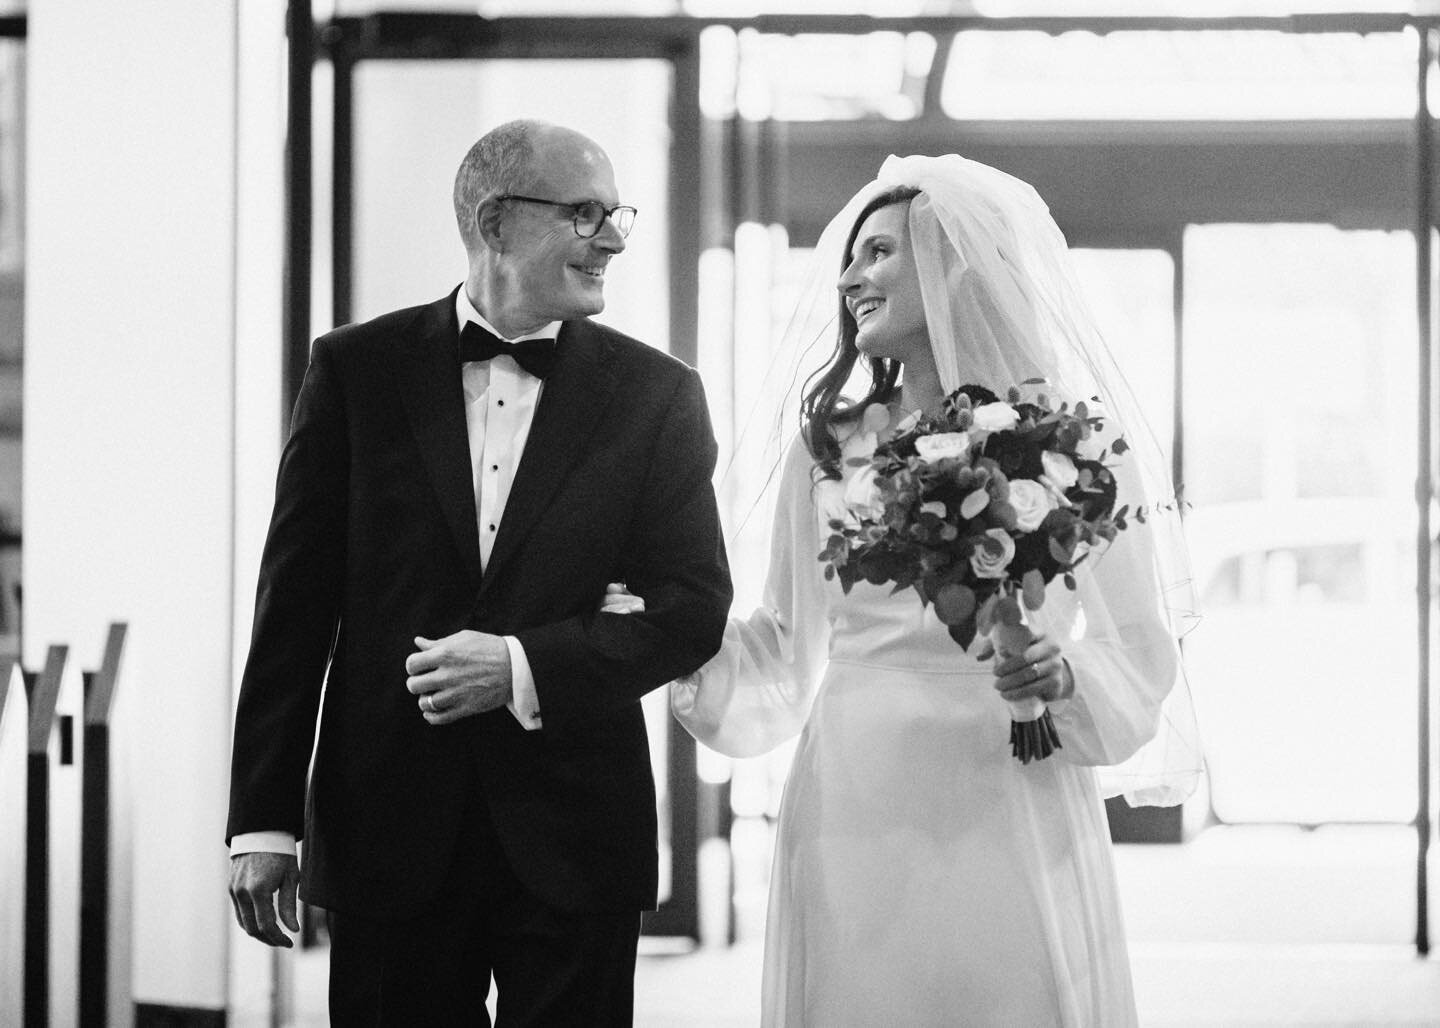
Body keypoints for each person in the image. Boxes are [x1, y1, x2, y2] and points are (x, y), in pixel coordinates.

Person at [605, 155, 1201, 1026]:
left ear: (954, 265)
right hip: (856, 790)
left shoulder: (1075, 443)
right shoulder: (829, 449)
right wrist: (673, 640)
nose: (849, 277)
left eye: (878, 253)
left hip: (1011, 781)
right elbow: (783, 639)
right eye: (852, 257)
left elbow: (1139, 648)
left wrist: (1061, 675)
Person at [225, 119, 732, 1026]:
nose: (613, 237)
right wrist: (264, 820)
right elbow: (295, 605)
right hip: (390, 824)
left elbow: (694, 608)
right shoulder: (354, 371)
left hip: (576, 831)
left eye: (617, 214)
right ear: (497, 223)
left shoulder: (658, 396)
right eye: (586, 214)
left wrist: (523, 667)